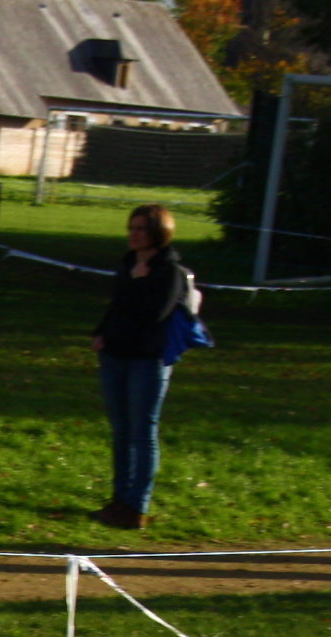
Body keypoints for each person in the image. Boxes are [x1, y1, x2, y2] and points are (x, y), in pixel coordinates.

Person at [91, 203, 190, 531]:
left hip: (147, 359)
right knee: (121, 431)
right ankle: (120, 498)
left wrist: (138, 283)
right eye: (131, 228)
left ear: (158, 232)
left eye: (140, 229)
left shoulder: (169, 271)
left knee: (142, 431)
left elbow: (153, 314)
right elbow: (117, 305)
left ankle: (138, 506)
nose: (132, 235)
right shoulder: (128, 263)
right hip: (115, 355)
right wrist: (101, 333)